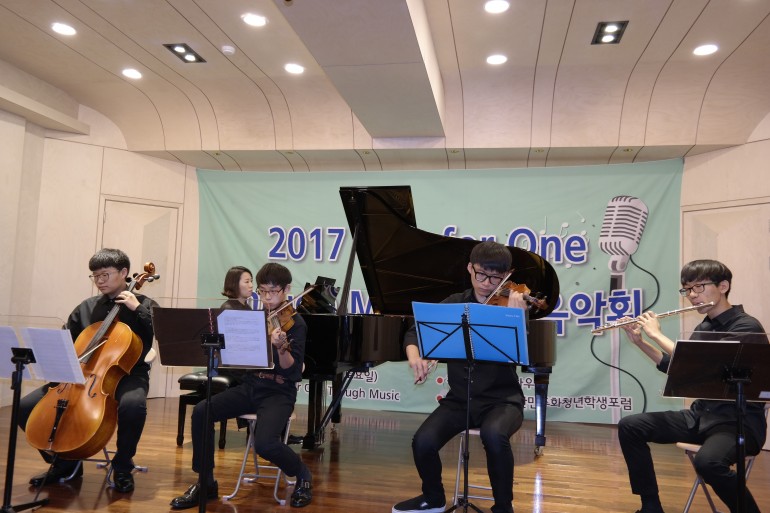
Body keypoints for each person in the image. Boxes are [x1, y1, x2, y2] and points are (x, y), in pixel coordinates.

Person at [617, 259, 767, 513]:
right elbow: (680, 368)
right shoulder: (704, 327)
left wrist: (657, 334)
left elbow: (707, 365)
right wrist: (640, 342)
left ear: (723, 286)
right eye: (687, 289)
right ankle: (651, 506)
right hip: (702, 417)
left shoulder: (746, 326)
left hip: (737, 423)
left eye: (699, 287)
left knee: (708, 463)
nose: (692, 295)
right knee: (631, 426)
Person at [393, 241, 526, 513]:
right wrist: (416, 356)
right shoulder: (456, 303)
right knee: (423, 441)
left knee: (493, 435)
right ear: (469, 268)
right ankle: (433, 498)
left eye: (495, 278)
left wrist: (518, 318)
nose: (487, 283)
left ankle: (503, 507)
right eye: (481, 274)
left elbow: (524, 355)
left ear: (506, 276)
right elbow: (414, 332)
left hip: (503, 401)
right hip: (461, 399)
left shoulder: (512, 306)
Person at [170, 262, 312, 509]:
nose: (267, 298)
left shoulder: (297, 324)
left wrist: (281, 347)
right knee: (203, 411)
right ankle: (206, 482)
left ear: (287, 289)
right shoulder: (253, 319)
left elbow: (291, 370)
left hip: (278, 391)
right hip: (251, 385)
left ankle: (302, 475)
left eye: (273, 291)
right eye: (262, 291)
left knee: (265, 444)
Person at [18, 248, 158, 493]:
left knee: (133, 405)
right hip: (83, 374)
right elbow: (67, 341)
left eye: (105, 275)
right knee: (25, 407)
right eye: (95, 276)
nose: (99, 281)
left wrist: (137, 309)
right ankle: (64, 462)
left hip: (128, 374)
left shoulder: (144, 304)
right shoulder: (86, 307)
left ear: (124, 273)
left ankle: (123, 466)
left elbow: (162, 332)